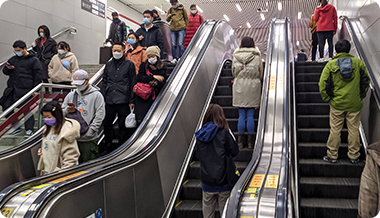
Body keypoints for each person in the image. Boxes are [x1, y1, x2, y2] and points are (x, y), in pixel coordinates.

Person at [319, 40, 370, 164]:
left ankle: (332, 155)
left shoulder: (331, 65)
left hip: (337, 103)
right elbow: (366, 81)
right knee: (353, 130)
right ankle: (354, 156)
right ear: (349, 49)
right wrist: (360, 96)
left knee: (335, 129)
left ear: (336, 51)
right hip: (354, 104)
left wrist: (328, 99)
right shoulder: (358, 63)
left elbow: (322, 84)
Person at [195, 104, 239, 218]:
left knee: (208, 213)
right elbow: (235, 151)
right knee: (225, 213)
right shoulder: (225, 132)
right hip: (223, 181)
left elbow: (198, 154)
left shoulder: (200, 134)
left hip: (206, 181)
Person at [0, 40, 42, 137]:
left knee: (26, 110)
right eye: (15, 51)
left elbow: (38, 75)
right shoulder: (13, 59)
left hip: (27, 89)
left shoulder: (34, 60)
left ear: (24, 48)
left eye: (19, 50)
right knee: (6, 107)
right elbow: (5, 72)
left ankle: (29, 129)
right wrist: (7, 68)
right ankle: (15, 126)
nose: (17, 52)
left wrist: (35, 90)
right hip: (12, 88)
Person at [62, 70, 105, 163]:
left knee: (88, 164)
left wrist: (91, 131)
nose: (78, 86)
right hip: (72, 138)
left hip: (89, 139)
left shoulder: (97, 95)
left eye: (80, 83)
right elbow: (61, 112)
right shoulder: (71, 95)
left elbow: (100, 114)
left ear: (87, 81)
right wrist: (67, 110)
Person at [101, 42, 136, 152]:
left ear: (123, 51)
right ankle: (108, 145)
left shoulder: (129, 65)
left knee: (122, 125)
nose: (116, 52)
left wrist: (132, 99)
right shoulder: (108, 65)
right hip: (110, 99)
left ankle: (122, 146)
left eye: (118, 50)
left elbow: (132, 83)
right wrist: (104, 96)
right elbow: (105, 81)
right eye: (114, 50)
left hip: (124, 99)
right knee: (107, 123)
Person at [232, 37, 263, 149]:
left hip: (239, 87)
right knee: (250, 115)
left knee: (241, 115)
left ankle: (240, 143)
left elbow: (233, 72)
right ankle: (250, 143)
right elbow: (260, 72)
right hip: (253, 87)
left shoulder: (235, 56)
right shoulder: (256, 56)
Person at [37, 101, 80, 175]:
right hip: (47, 172)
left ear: (57, 115)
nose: (46, 119)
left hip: (59, 174)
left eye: (49, 117)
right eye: (44, 117)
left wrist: (61, 175)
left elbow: (71, 158)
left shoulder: (67, 130)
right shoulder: (48, 128)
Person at [135, 46, 166, 123]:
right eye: (149, 56)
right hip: (143, 96)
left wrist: (155, 82)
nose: (150, 58)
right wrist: (153, 77)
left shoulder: (163, 66)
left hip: (156, 95)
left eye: (152, 56)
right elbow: (139, 78)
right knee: (141, 119)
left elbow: (163, 80)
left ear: (157, 56)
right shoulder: (144, 65)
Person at [358, 141, 380, 217]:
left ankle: (332, 153)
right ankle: (353, 154)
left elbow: (367, 207)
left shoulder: (376, 153)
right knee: (353, 130)